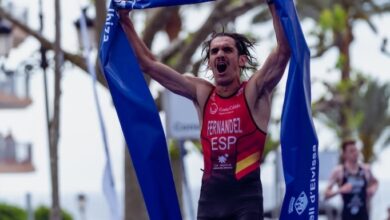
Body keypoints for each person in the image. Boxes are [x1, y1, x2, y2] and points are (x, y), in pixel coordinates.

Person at [116, 0, 290, 219]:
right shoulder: (202, 93)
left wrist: (274, 4)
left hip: (246, 200)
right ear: (209, 63)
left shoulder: (254, 91)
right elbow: (148, 64)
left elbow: (283, 51)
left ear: (242, 60)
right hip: (210, 201)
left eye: (227, 49)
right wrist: (125, 20)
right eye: (214, 51)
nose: (220, 54)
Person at [324, 140, 379, 220]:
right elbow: (326, 195)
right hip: (346, 215)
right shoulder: (339, 171)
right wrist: (340, 190)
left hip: (364, 215)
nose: (355, 153)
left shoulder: (366, 169)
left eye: (356, 150)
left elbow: (375, 182)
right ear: (344, 154)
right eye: (351, 151)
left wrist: (372, 189)